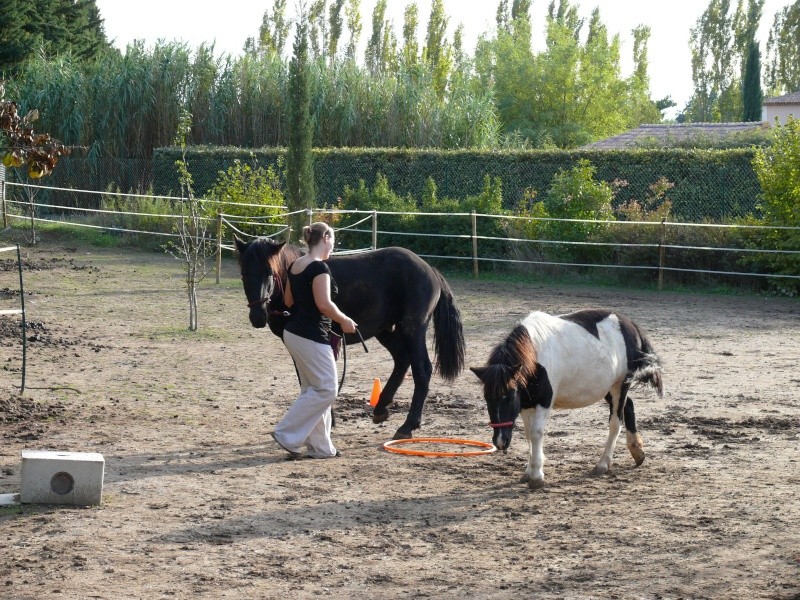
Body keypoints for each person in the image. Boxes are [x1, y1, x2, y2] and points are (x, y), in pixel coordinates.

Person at [270, 222, 357, 459]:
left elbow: (288, 301)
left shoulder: (297, 265)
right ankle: (286, 434)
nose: (334, 245)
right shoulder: (320, 269)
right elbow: (324, 304)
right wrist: (345, 320)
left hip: (294, 334)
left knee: (313, 389)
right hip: (311, 335)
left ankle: (321, 447)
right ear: (326, 237)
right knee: (327, 389)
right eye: (333, 239)